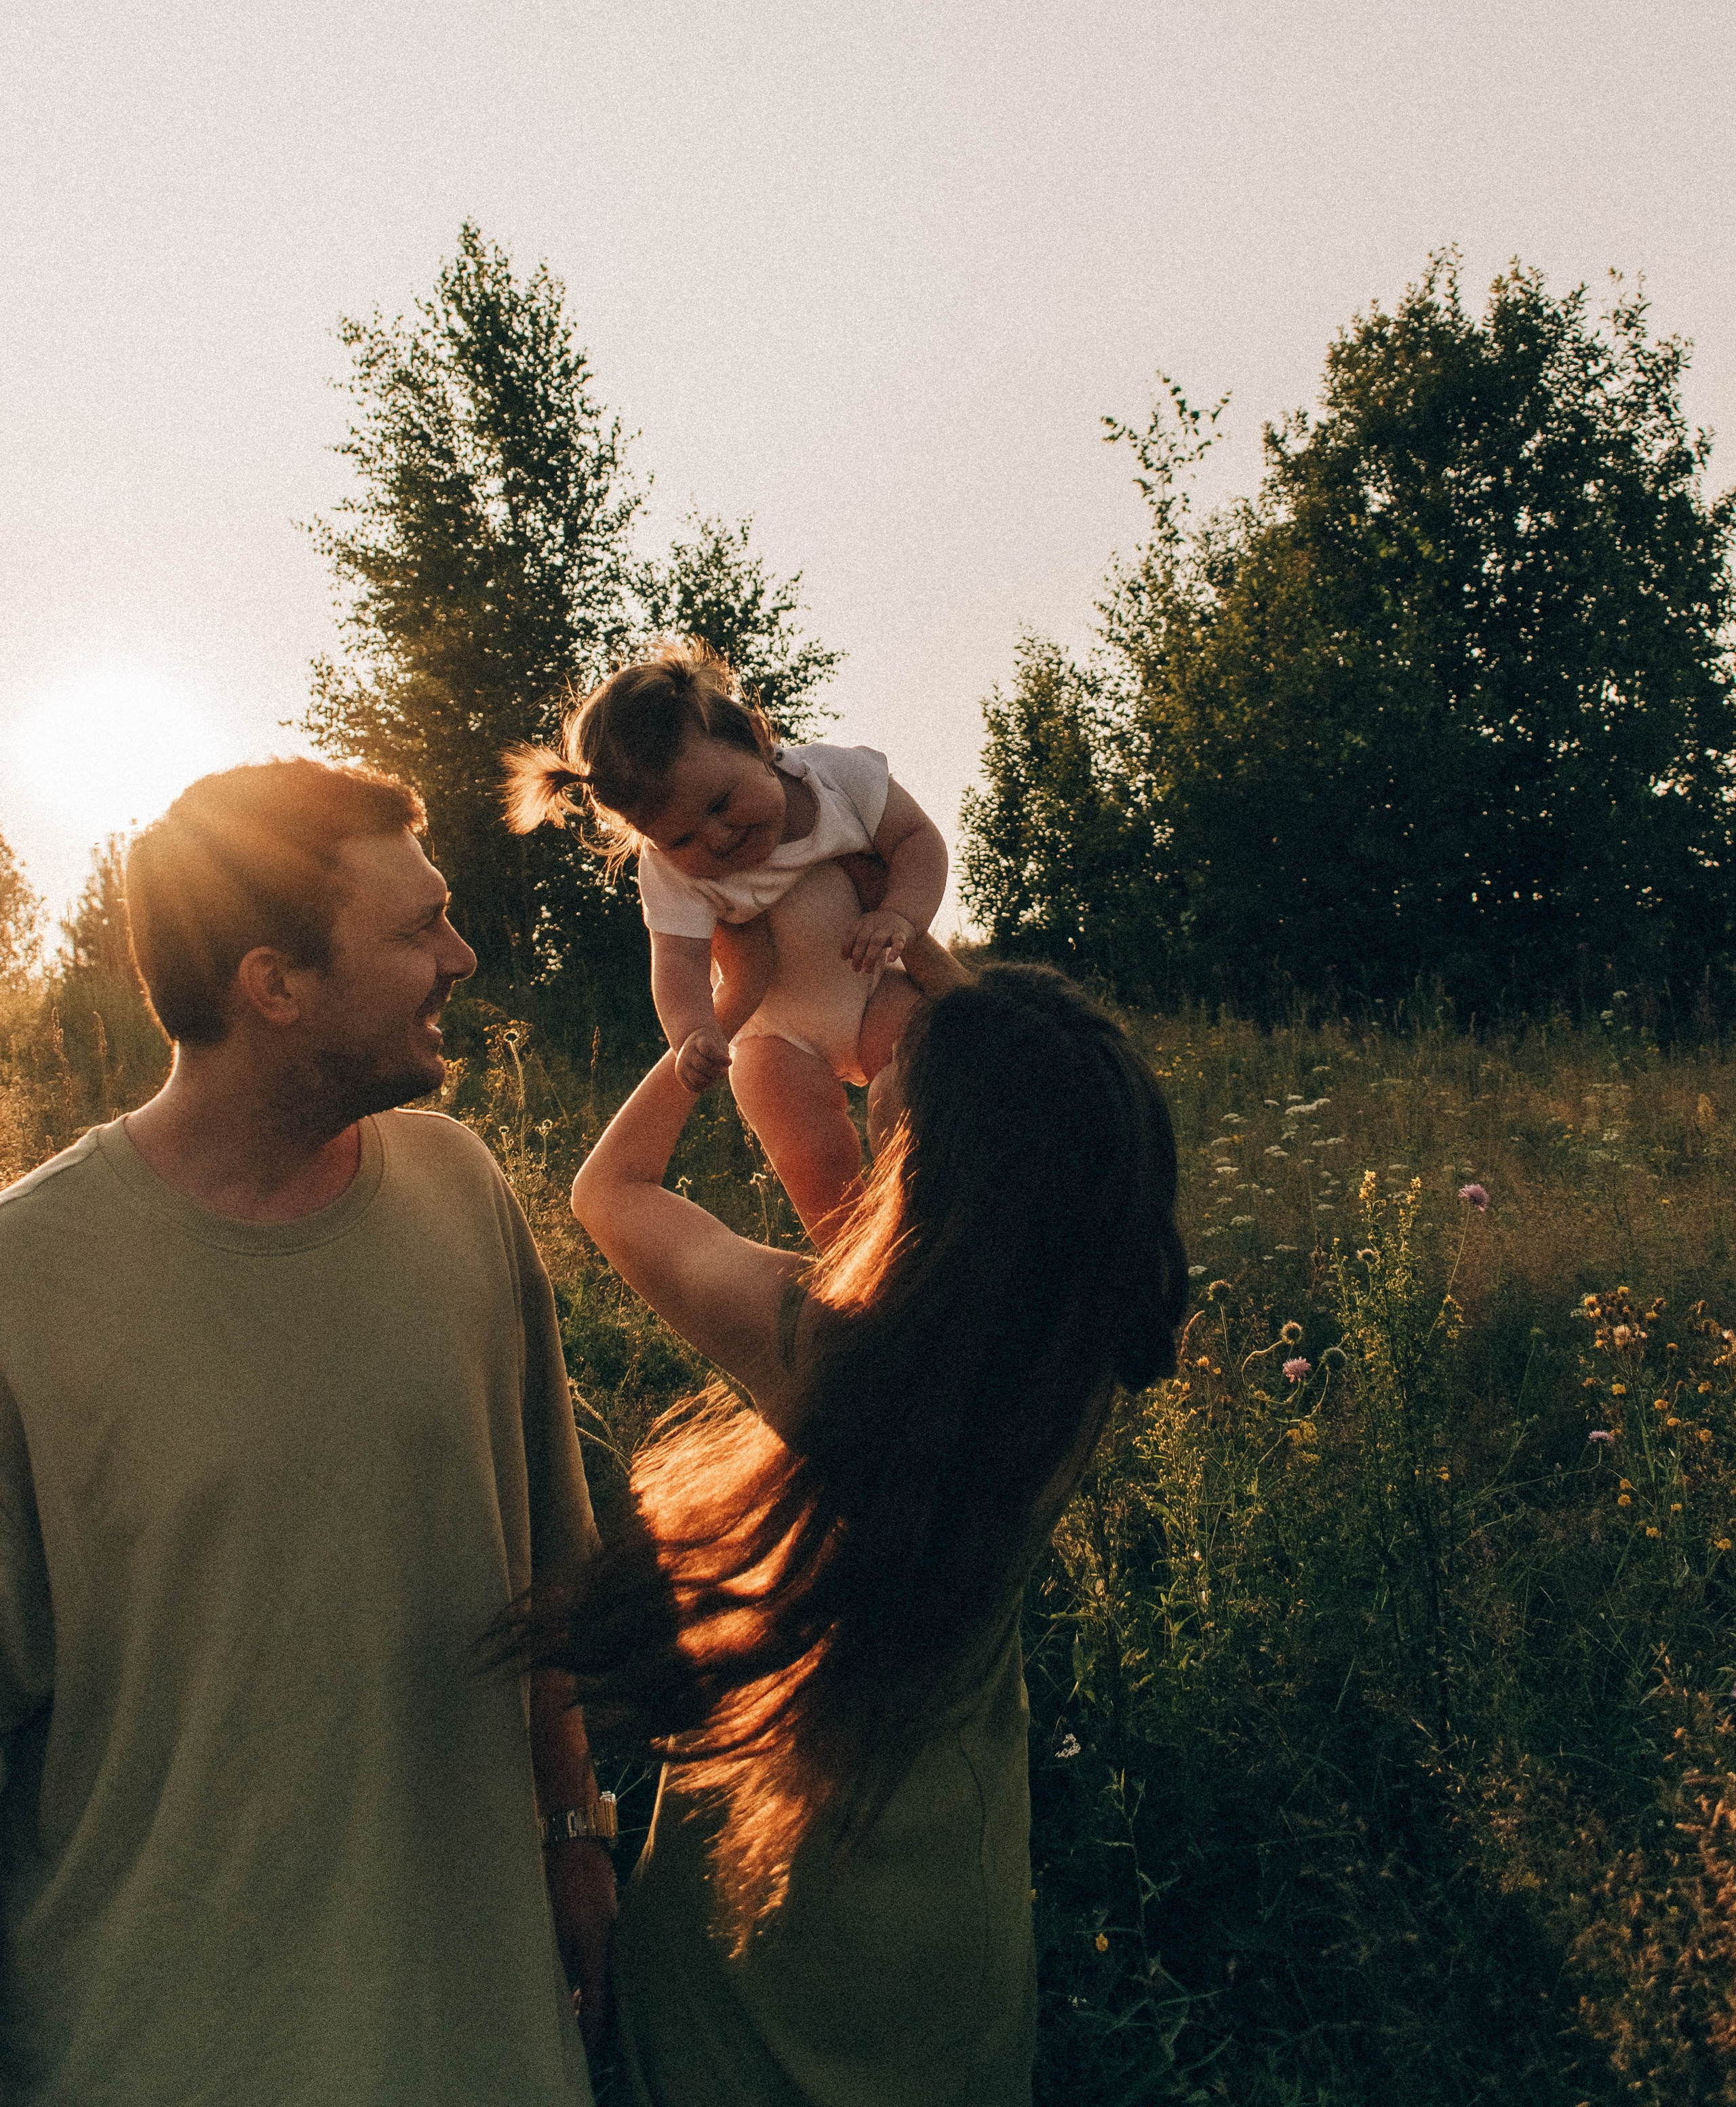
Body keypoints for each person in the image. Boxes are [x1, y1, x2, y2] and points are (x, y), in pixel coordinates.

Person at [0, 760, 614, 2107]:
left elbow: (545, 1595)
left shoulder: (461, 1193)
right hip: (156, 2052)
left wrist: (575, 1836)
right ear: (272, 986)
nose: (459, 955)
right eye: (415, 930)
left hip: (489, 2043)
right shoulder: (24, 1286)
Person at [525, 946, 1189, 2107]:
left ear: (926, 1156)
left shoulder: (825, 1350)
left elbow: (609, 1192)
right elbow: (1057, 1121)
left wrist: (716, 1031)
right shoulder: (1078, 1350)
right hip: (954, 1921)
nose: (872, 1057)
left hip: (761, 1903)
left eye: (895, 1071)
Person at [503, 641, 948, 1234]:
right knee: (808, 1155)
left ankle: (932, 1218)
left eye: (721, 803)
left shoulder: (840, 779)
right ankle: (852, 1254)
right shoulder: (666, 874)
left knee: (916, 1081)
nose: (714, 838)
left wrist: (900, 914)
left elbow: (918, 843)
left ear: (757, 739)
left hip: (873, 991)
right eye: (681, 838)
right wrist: (694, 1032)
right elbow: (678, 964)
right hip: (775, 1034)